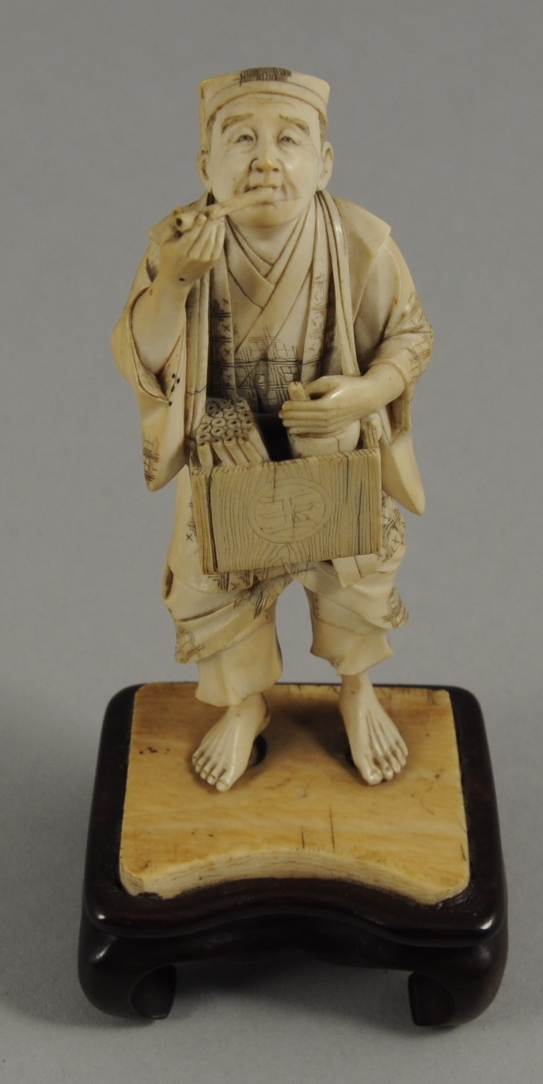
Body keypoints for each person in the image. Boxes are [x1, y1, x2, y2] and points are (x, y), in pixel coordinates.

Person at [112, 67, 433, 792]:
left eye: (289, 140)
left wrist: (365, 393)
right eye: (241, 140)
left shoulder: (360, 239)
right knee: (212, 582)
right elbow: (141, 355)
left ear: (325, 161)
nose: (265, 160)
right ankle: (244, 704)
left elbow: (411, 336)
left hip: (332, 437)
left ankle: (357, 690)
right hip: (226, 441)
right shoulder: (178, 245)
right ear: (206, 164)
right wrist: (174, 281)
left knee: (357, 572)